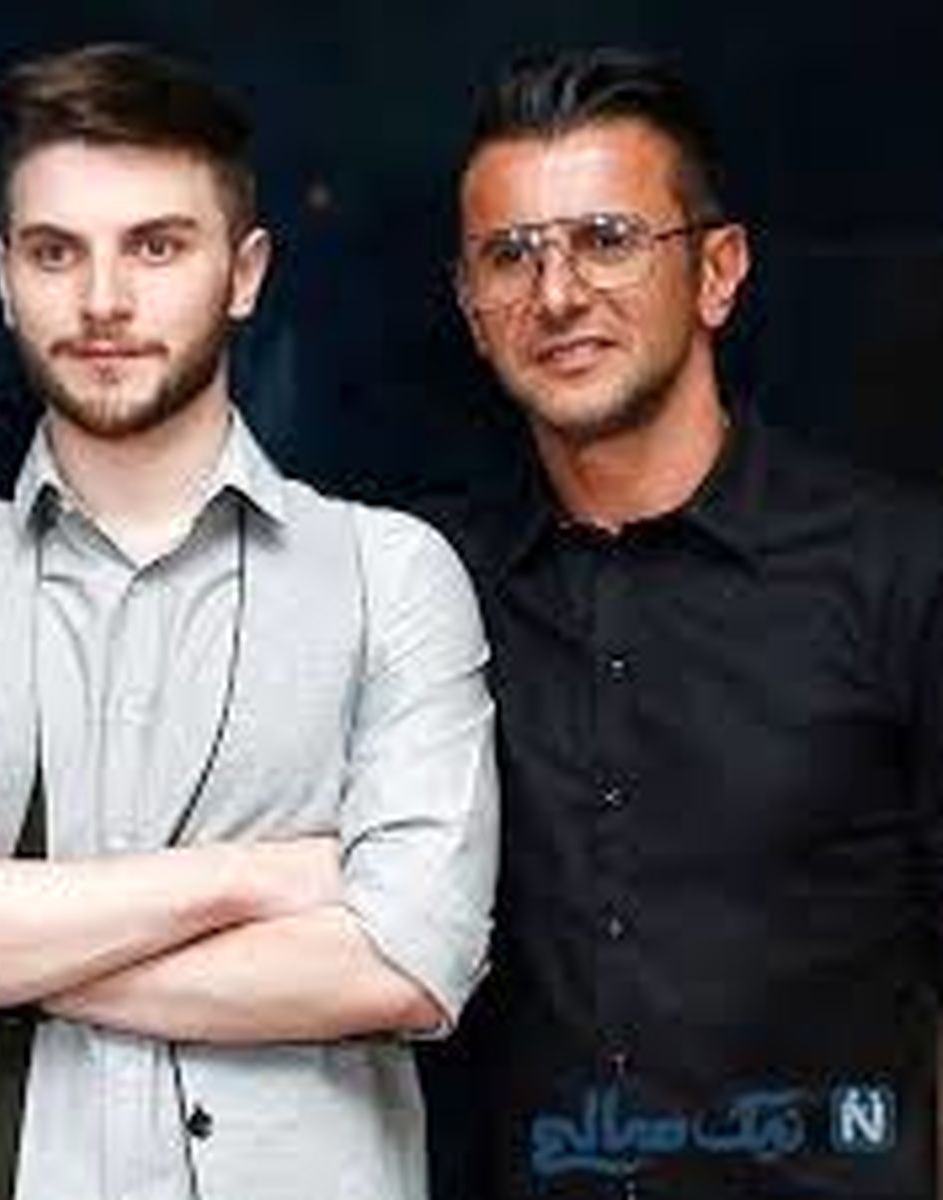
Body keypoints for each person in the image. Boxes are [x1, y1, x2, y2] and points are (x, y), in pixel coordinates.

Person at [0, 43, 497, 1200]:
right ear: (4, 277)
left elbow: (409, 962)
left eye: (157, 246)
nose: (103, 300)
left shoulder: (393, 576)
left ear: (244, 272)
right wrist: (254, 883)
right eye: (56, 252)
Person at [424, 46, 943, 1200]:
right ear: (470, 309)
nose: (557, 294)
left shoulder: (900, 573)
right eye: (510, 255)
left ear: (718, 272)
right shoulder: (429, 592)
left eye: (608, 240)